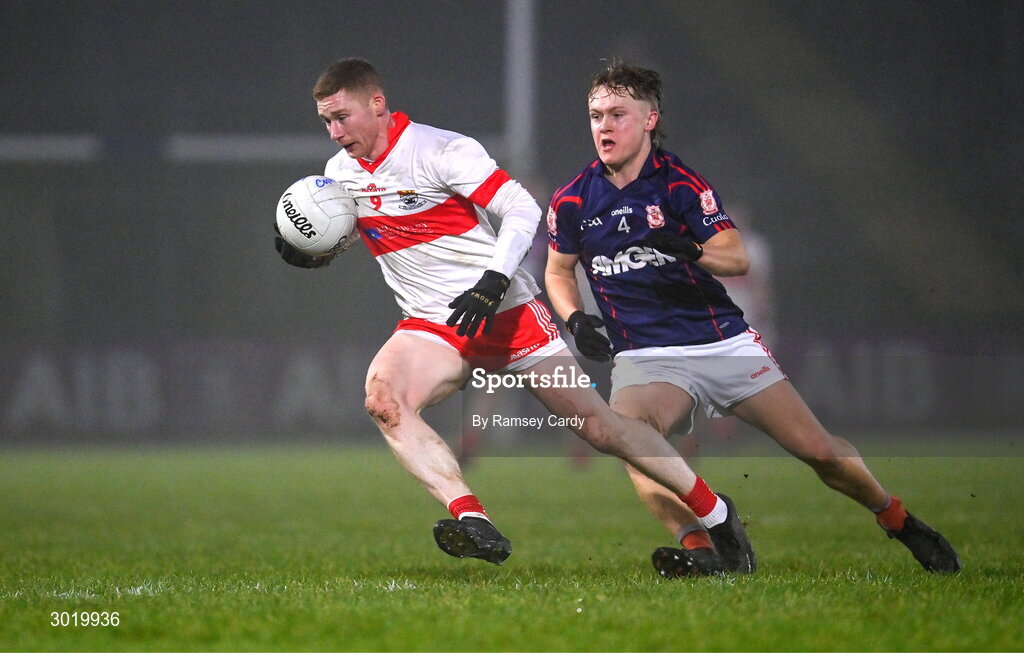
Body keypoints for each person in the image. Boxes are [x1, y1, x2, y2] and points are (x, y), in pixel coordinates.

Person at [273, 58, 753, 575]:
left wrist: (494, 279)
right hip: (435, 326)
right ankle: (471, 517)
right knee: (384, 400)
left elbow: (523, 209)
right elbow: (343, 232)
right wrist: (312, 250)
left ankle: (718, 515)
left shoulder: (441, 151)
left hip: (507, 313)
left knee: (601, 429)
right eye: (326, 122)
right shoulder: (339, 175)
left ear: (377, 104)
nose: (335, 132)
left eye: (342, 117)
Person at [544, 60, 961, 575]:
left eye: (617, 114)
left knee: (822, 455)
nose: (603, 126)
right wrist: (575, 317)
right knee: (636, 446)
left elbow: (734, 256)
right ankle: (706, 552)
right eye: (595, 115)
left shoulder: (679, 185)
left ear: (650, 119)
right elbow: (559, 270)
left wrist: (689, 249)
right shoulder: (572, 199)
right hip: (645, 358)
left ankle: (898, 519)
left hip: (720, 343)